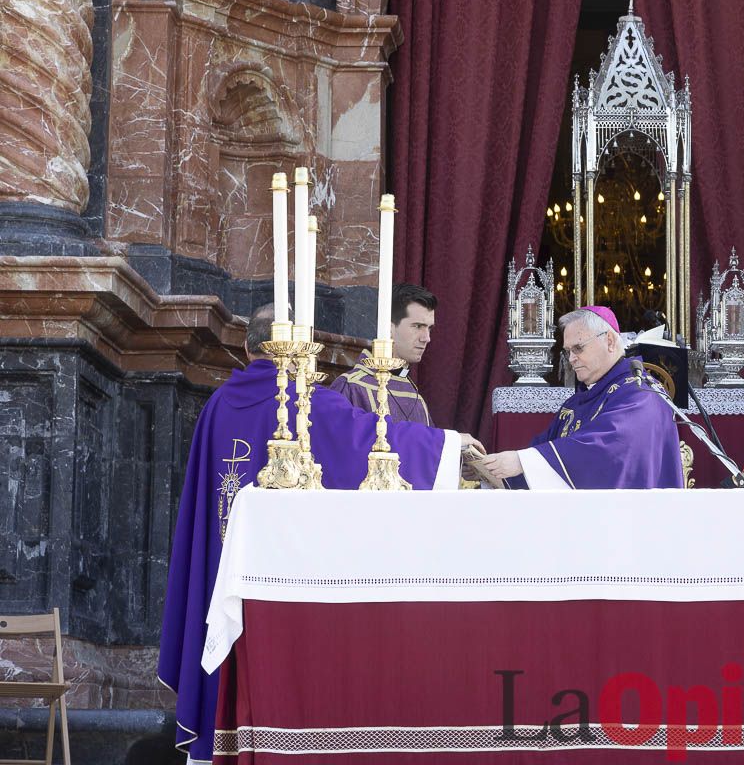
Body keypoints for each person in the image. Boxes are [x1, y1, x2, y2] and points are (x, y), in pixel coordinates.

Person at [158, 305, 475, 763]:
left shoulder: (218, 404)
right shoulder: (304, 400)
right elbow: (370, 441)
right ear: (302, 346)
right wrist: (449, 445)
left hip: (221, 564)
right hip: (285, 579)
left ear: (249, 347)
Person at [480, 306, 684, 489]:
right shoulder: (579, 401)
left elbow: (611, 447)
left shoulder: (642, 393)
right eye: (568, 351)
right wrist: (493, 472)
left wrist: (521, 461)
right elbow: (543, 452)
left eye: (578, 348)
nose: (571, 359)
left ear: (610, 341)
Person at [328, 283, 436, 425]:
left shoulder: (415, 395)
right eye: (417, 326)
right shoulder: (352, 386)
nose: (426, 338)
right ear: (389, 328)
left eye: (429, 328)